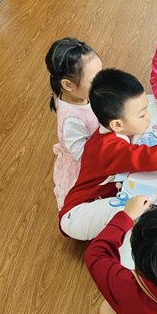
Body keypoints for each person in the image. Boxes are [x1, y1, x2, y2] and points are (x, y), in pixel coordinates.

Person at [59, 68, 157, 241]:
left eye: (146, 109)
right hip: (77, 215)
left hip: (98, 201)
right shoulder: (109, 148)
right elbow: (147, 156)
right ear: (117, 125)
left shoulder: (114, 129)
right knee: (140, 210)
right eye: (141, 115)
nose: (148, 117)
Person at [45, 37, 102, 210]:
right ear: (68, 85)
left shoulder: (79, 94)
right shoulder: (71, 119)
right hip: (87, 163)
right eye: (95, 80)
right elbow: (83, 156)